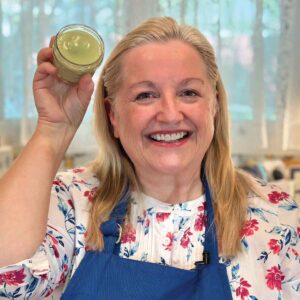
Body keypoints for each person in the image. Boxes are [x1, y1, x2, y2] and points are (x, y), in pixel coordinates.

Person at [0, 16, 299, 300]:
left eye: (189, 93)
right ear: (113, 115)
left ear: (215, 107)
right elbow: (6, 279)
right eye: (145, 95)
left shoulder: (279, 221)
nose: (170, 114)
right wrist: (53, 130)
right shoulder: (70, 204)